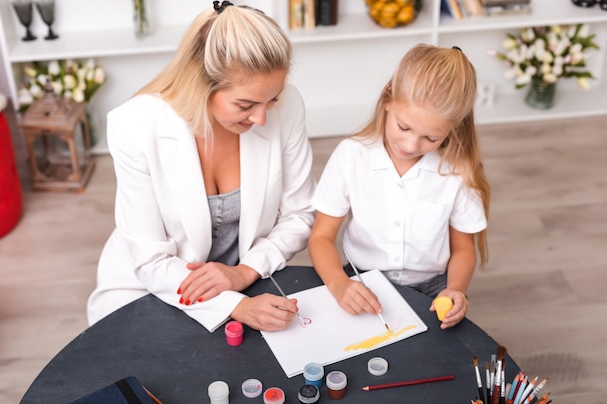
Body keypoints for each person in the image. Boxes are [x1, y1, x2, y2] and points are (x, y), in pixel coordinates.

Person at [87, 1, 316, 333]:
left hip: (243, 279)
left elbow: (301, 214)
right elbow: (151, 260)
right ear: (202, 83)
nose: (262, 118)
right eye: (245, 105)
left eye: (272, 99)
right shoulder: (134, 125)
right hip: (151, 283)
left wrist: (244, 272)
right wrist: (236, 305)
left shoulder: (289, 106)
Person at [308, 44, 490, 329]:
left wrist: (455, 288)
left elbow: (464, 250)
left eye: (431, 138)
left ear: (453, 128)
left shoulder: (457, 172)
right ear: (387, 97)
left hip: (431, 289)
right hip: (359, 281)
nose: (410, 145)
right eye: (403, 127)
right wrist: (339, 284)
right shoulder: (350, 155)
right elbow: (321, 237)